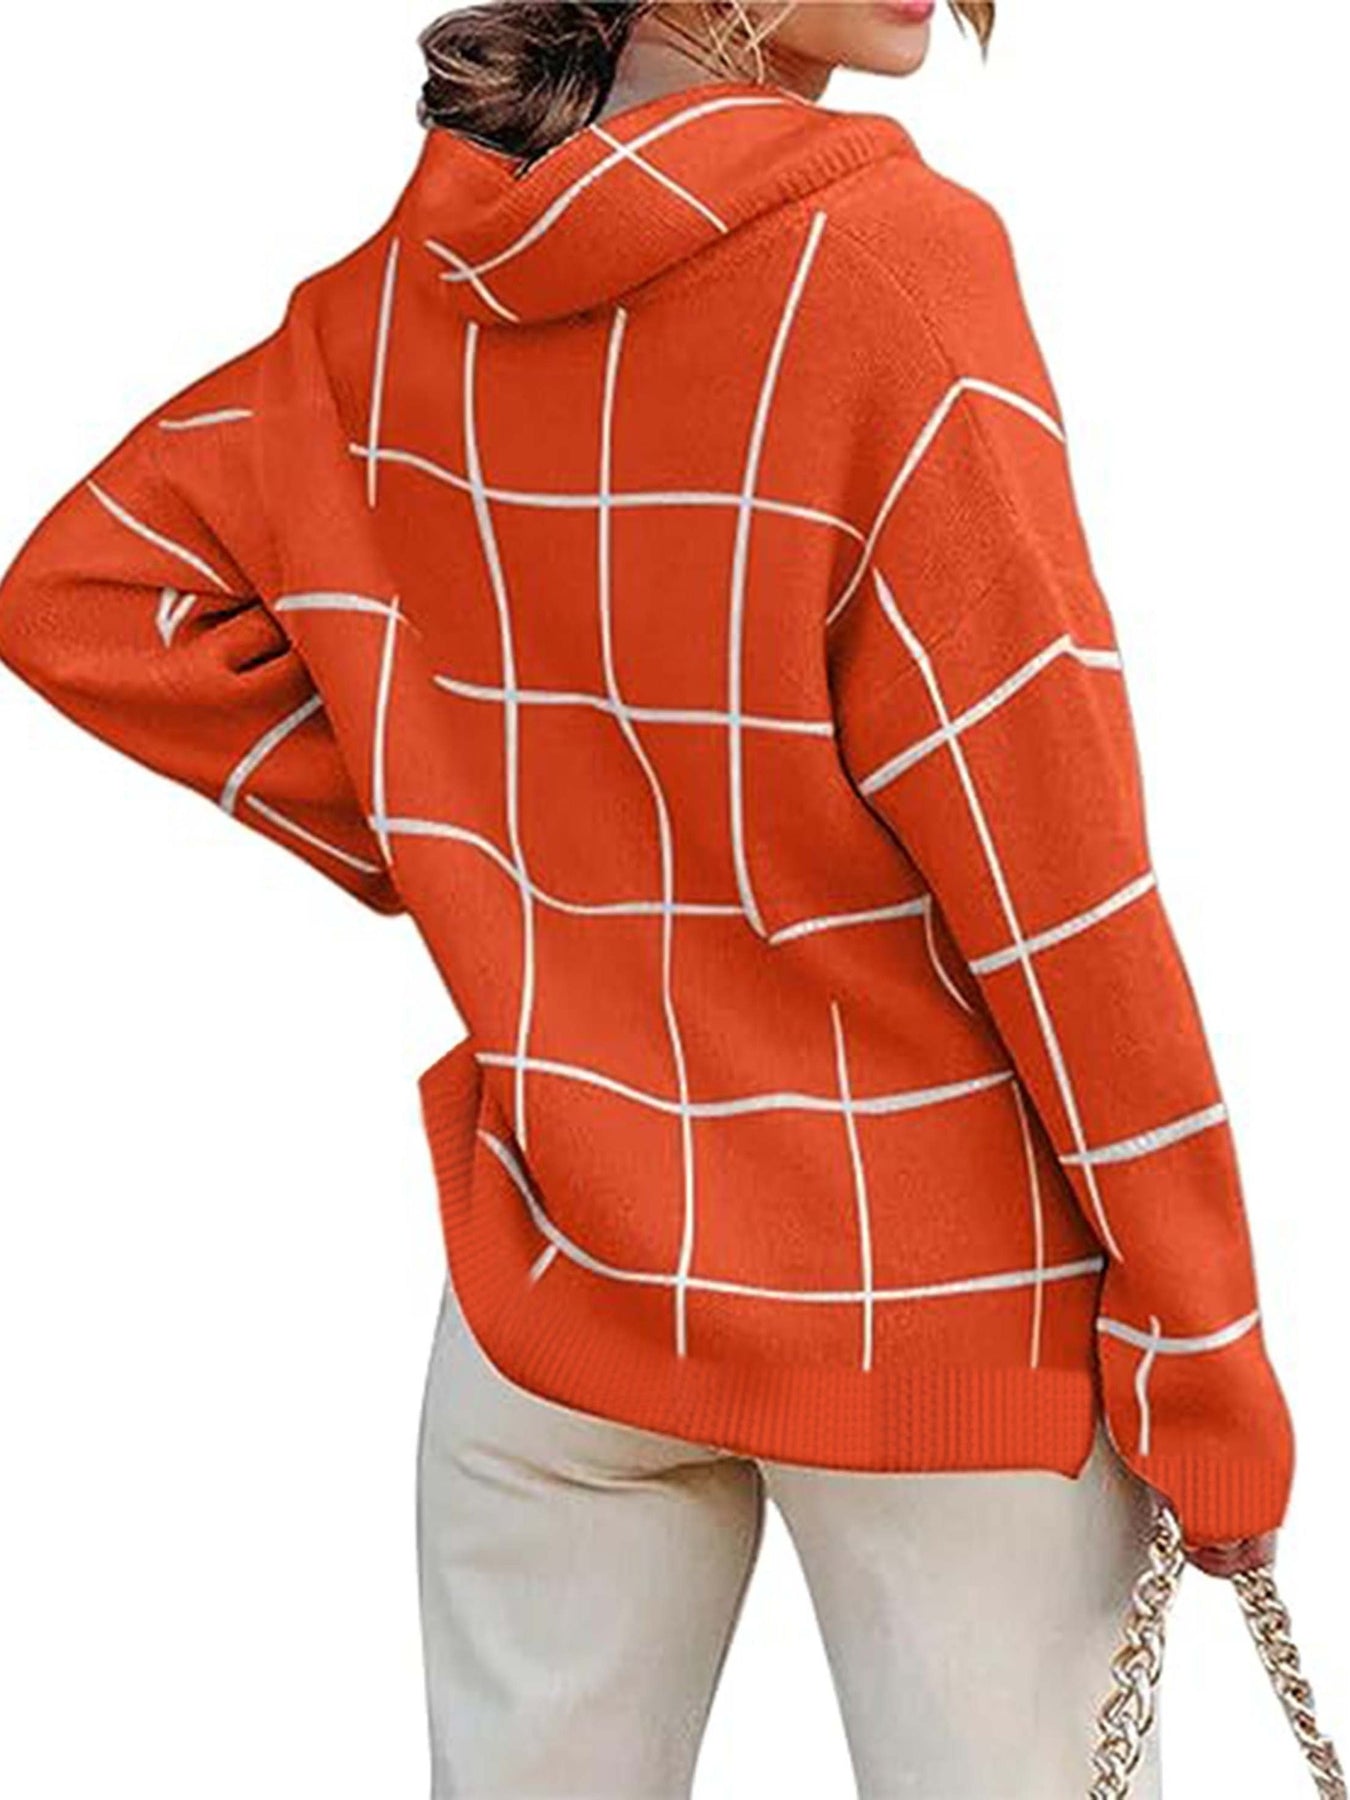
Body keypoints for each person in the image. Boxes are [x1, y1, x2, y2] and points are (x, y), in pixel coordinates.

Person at [0, 3, 1298, 1794]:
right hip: (933, 1312)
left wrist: (477, 825)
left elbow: (88, 596)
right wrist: (1206, 1358)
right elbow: (1054, 874)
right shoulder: (888, 265)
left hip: (560, 1277)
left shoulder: (407, 297)